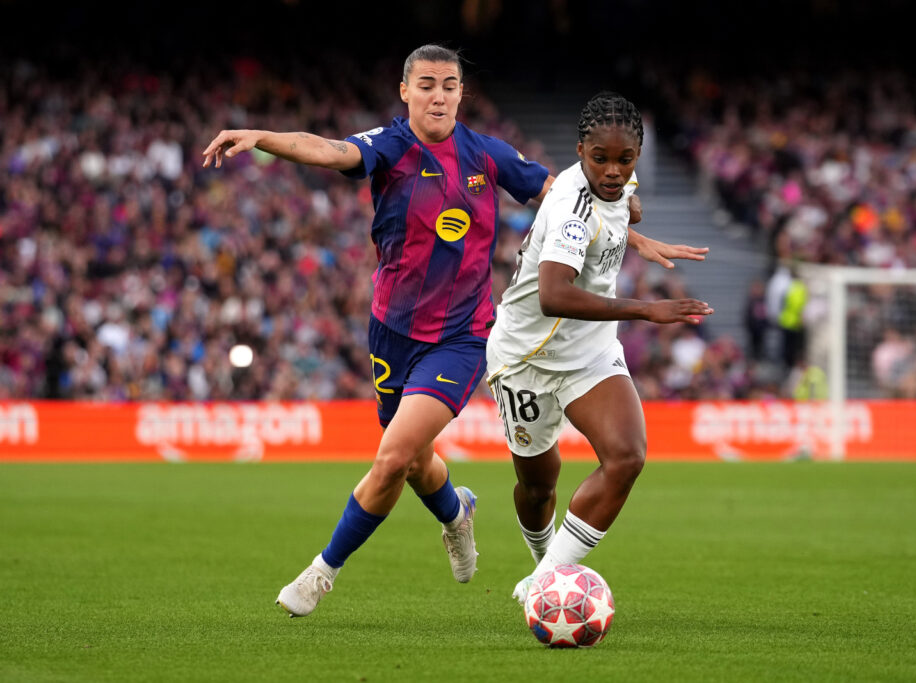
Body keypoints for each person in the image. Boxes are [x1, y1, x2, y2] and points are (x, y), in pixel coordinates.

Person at [202, 46, 700, 618]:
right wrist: (261, 135)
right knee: (414, 461)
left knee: (391, 458)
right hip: (391, 331)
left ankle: (319, 575)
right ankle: (455, 514)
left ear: (462, 93)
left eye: (449, 85)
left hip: (464, 336)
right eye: (427, 85)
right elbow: (329, 149)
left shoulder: (486, 155)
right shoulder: (390, 146)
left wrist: (633, 233)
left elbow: (570, 195)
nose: (438, 95)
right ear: (405, 90)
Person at [482, 91, 713, 603]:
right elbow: (553, 295)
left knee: (627, 456)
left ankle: (544, 586)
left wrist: (634, 221)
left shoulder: (618, 178)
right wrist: (647, 309)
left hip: (589, 352)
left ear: (637, 155)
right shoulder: (569, 208)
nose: (612, 170)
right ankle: (544, 566)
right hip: (526, 357)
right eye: (600, 159)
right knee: (540, 484)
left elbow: (626, 200)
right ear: (580, 150)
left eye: (624, 160)